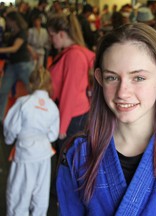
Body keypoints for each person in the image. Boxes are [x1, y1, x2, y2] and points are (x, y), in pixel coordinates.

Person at [56, 23, 156, 215]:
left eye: (139, 78)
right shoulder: (76, 153)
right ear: (99, 78)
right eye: (112, 78)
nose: (123, 92)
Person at [3, 66, 59, 216]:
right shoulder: (52, 107)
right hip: (44, 154)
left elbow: (10, 127)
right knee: (40, 196)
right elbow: (53, 135)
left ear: (31, 83)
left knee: (18, 194)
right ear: (48, 84)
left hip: (25, 152)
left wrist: (9, 140)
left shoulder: (23, 102)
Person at [46, 13, 95, 156]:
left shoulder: (74, 56)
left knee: (68, 161)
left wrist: (62, 128)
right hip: (73, 115)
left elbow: (70, 93)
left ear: (61, 34)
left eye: (52, 35)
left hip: (72, 118)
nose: (50, 39)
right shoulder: (71, 53)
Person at [0, 11, 33, 123]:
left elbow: (15, 48)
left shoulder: (22, 32)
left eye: (8, 20)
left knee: (32, 89)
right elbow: (23, 44)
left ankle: (35, 114)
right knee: (3, 91)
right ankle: (0, 118)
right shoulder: (13, 32)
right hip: (12, 65)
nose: (7, 22)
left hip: (22, 65)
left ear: (13, 20)